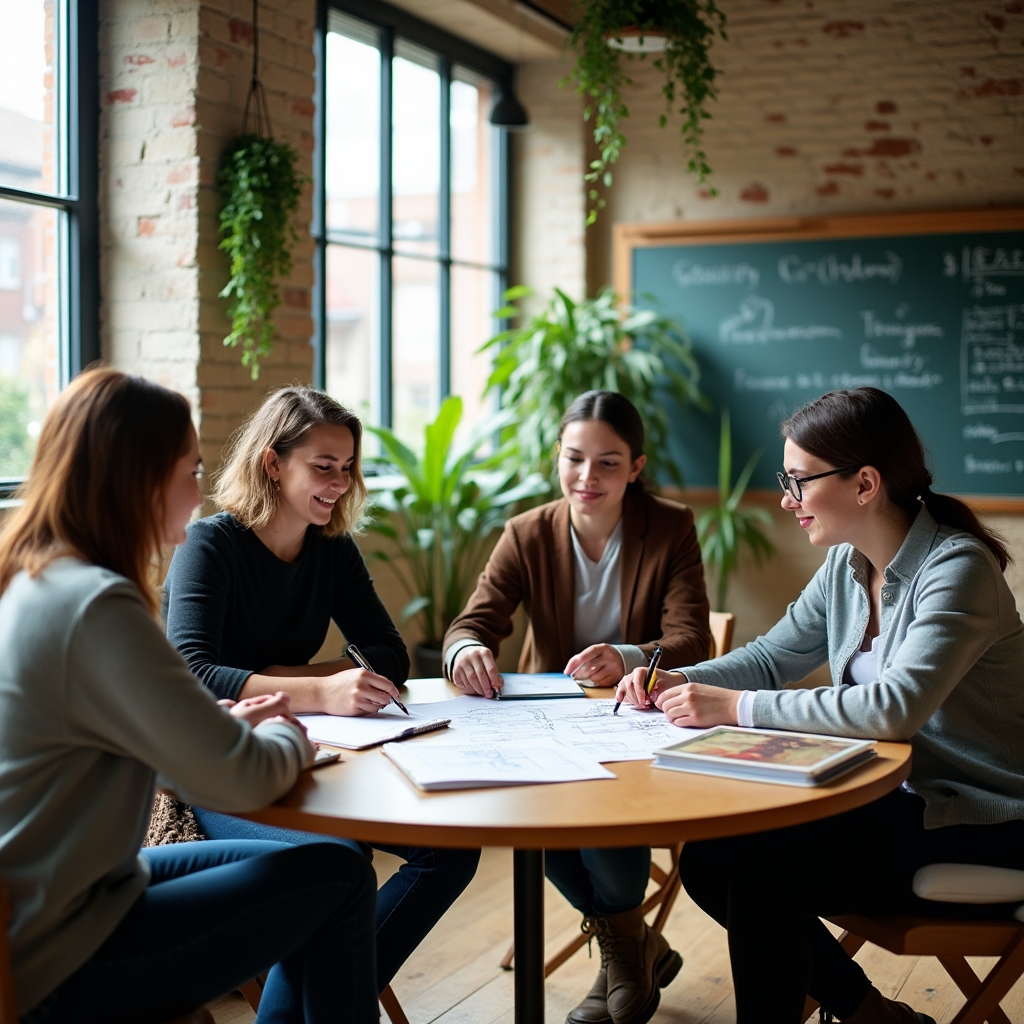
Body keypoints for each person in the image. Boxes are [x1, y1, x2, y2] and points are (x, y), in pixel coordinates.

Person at [618, 387, 1024, 1024]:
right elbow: (768, 658)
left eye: (799, 481)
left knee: (762, 876)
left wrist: (737, 708)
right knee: (709, 856)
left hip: (982, 817)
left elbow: (893, 709)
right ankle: (872, 1015)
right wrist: (659, 676)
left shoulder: (957, 568)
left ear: (865, 484)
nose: (786, 499)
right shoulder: (847, 564)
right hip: (899, 803)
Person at [0, 368, 379, 1024]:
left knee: (334, 862)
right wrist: (287, 726)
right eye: (192, 470)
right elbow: (237, 779)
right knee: (342, 880)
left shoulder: (38, 583)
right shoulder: (97, 605)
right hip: (67, 949)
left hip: (74, 897)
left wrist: (215, 721)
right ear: (141, 480)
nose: (200, 490)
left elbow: (172, 754)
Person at [163, 385, 480, 993]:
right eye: (323, 466)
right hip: (210, 769)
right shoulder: (210, 545)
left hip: (310, 757)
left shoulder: (330, 548)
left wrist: (295, 680)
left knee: (450, 851)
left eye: (347, 467)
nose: (339, 483)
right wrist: (323, 688)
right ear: (273, 462)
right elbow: (193, 674)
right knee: (340, 859)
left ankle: (313, 1001)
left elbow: (392, 654)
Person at [443, 390, 712, 1024]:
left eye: (609, 463)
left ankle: (621, 951)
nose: (587, 478)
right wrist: (464, 653)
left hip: (637, 721)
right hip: (549, 723)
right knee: (530, 829)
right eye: (574, 459)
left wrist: (627, 654)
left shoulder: (670, 525)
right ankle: (632, 943)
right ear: (557, 458)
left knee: (604, 812)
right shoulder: (526, 532)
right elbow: (471, 623)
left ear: (637, 468)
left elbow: (692, 638)